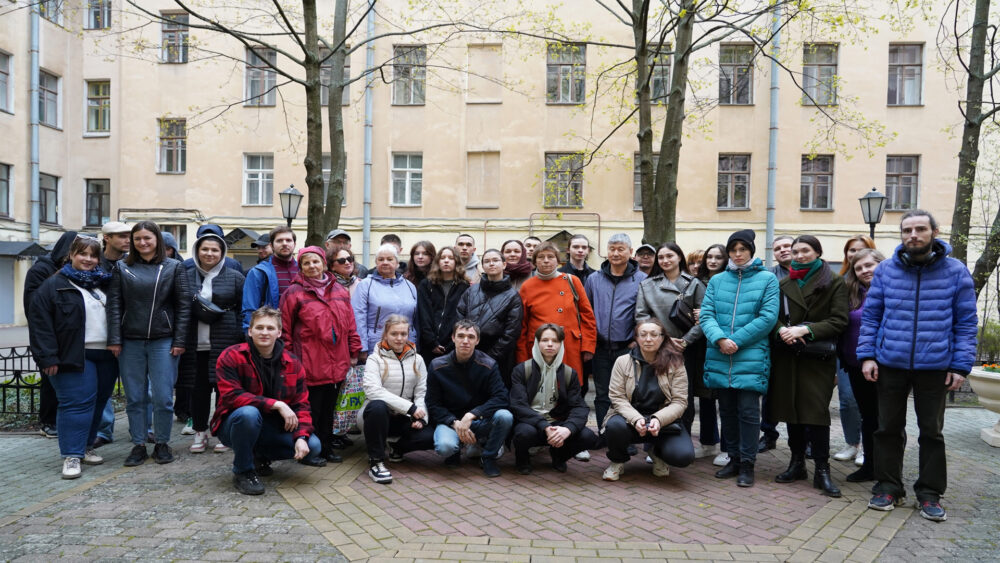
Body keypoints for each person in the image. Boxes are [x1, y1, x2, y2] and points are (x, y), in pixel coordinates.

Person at [858, 210, 977, 521]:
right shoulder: (885, 270)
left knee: (932, 432)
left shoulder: (956, 272)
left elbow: (966, 323)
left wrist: (960, 365)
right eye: (907, 230)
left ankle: (929, 493)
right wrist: (868, 355)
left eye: (920, 229)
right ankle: (887, 487)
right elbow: (871, 317)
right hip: (890, 363)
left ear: (934, 232)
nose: (913, 235)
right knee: (887, 429)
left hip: (935, 365)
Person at [27, 237, 117, 479]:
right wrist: (47, 358)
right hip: (73, 355)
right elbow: (40, 325)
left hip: (107, 355)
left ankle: (86, 446)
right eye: (82, 254)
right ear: (71, 255)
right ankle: (71, 456)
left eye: (93, 255)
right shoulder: (53, 285)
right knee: (76, 405)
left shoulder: (104, 283)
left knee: (98, 402)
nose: (88, 259)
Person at [212, 307, 324, 495]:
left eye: (270, 328)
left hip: (272, 427)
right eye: (259, 327)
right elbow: (231, 395)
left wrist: (301, 437)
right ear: (250, 330)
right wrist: (276, 404)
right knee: (249, 413)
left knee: (313, 446)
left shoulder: (292, 362)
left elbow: (302, 405)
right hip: (235, 424)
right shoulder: (232, 355)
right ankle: (243, 471)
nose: (264, 332)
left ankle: (259, 456)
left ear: (279, 332)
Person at [106, 221, 191, 466]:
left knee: (163, 397)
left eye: (147, 238)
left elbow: (183, 306)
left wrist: (180, 339)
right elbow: (114, 305)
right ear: (132, 242)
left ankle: (162, 442)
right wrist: (114, 339)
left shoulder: (174, 267)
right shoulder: (122, 267)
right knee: (135, 397)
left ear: (157, 240)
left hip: (163, 340)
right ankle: (139, 444)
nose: (142, 243)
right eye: (137, 239)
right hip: (130, 341)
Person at [769, 235, 848, 498]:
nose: (799, 255)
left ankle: (822, 470)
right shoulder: (783, 283)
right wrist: (783, 331)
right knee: (791, 410)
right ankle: (797, 463)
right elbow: (774, 317)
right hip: (788, 355)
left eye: (805, 251)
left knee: (816, 413)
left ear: (817, 252)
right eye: (795, 251)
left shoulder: (834, 282)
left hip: (816, 357)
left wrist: (806, 329)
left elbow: (839, 320)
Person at [700, 229, 779, 487]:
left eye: (742, 249)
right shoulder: (717, 281)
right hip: (720, 352)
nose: (737, 254)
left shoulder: (767, 279)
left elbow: (768, 317)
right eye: (733, 250)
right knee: (727, 410)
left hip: (750, 354)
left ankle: (747, 463)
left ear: (751, 251)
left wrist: (737, 340)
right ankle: (733, 457)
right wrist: (720, 339)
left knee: (748, 411)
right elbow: (706, 315)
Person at [281, 246, 362, 464]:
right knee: (311, 409)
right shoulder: (293, 293)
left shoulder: (339, 291)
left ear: (324, 264)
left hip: (337, 361)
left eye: (315, 261)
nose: (312, 266)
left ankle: (326, 448)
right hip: (309, 362)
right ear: (301, 268)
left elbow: (350, 325)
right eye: (306, 263)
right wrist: (289, 360)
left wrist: (354, 350)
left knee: (329, 409)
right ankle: (308, 450)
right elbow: (285, 331)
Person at [635, 243, 716, 458]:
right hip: (656, 349)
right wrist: (657, 339)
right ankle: (652, 446)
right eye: (660, 257)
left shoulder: (694, 284)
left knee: (683, 399)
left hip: (684, 350)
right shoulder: (647, 285)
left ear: (679, 257)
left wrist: (686, 341)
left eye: (669, 256)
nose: (665, 261)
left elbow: (705, 318)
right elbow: (641, 315)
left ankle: (682, 442)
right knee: (654, 396)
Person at [601, 319, 695, 481]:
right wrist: (636, 418)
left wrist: (658, 419)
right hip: (629, 419)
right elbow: (617, 397)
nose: (648, 339)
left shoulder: (676, 363)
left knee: (683, 456)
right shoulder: (622, 362)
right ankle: (617, 461)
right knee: (614, 426)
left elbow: (680, 402)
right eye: (643, 335)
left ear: (663, 338)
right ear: (636, 338)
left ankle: (657, 453)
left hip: (663, 422)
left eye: (654, 335)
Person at [178, 230, 245, 454]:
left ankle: (223, 433)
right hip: (194, 343)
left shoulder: (235, 276)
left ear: (222, 252)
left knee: (224, 390)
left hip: (225, 342)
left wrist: (239, 336)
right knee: (198, 390)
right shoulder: (184, 275)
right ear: (197, 251)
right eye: (205, 249)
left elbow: (243, 309)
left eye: (215, 250)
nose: (209, 253)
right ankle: (199, 431)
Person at [426, 320, 513, 477]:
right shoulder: (437, 366)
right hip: (451, 421)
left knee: (505, 416)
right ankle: (455, 450)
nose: (465, 341)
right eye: (460, 336)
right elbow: (433, 404)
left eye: (471, 337)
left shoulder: (489, 365)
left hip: (478, 421)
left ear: (477, 340)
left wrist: (472, 415)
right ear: (453, 338)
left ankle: (488, 458)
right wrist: (455, 423)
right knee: (445, 446)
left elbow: (501, 397)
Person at [509, 324, 598, 474]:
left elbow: (579, 407)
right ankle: (522, 458)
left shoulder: (570, 373)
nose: (550, 344)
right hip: (531, 422)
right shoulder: (522, 370)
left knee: (587, 436)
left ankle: (559, 456)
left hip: (557, 422)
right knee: (523, 433)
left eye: (555, 341)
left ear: (561, 344)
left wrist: (568, 428)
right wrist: (543, 425)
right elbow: (518, 405)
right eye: (545, 340)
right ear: (537, 342)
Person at [358, 315, 434, 484]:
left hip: (403, 417)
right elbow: (373, 390)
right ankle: (376, 462)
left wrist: (421, 417)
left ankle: (397, 448)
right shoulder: (374, 359)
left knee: (430, 436)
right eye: (394, 334)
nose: (399, 338)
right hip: (374, 415)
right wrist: (410, 408)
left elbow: (422, 392)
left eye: (403, 334)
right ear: (385, 334)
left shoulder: (418, 359)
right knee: (378, 406)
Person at [584, 233, 647, 434]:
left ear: (630, 252)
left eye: (621, 249)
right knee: (602, 393)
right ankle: (604, 433)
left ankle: (626, 435)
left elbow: (645, 312)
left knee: (628, 393)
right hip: (601, 347)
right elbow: (586, 312)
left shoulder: (642, 280)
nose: (616, 253)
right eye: (612, 249)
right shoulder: (594, 279)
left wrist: (637, 339)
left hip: (627, 348)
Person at [518, 242, 597, 387]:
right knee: (541, 388)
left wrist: (588, 346)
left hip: (568, 345)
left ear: (558, 260)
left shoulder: (572, 281)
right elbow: (522, 324)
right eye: (541, 257)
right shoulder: (527, 286)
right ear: (534, 261)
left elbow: (587, 317)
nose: (546, 260)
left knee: (568, 387)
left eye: (550, 256)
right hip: (538, 347)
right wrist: (522, 355)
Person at [24, 230, 79, 439]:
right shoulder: (41, 269)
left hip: (70, 335)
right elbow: (34, 304)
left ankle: (64, 421)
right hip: (49, 336)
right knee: (50, 378)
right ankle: (47, 421)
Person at [839, 248, 885, 483]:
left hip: (886, 365)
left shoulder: (892, 290)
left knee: (886, 419)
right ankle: (870, 467)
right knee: (868, 417)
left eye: (869, 265)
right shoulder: (852, 292)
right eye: (858, 268)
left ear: (881, 263)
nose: (864, 271)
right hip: (855, 365)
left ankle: (888, 470)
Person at [830, 235, 876, 465]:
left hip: (876, 358)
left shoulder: (881, 285)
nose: (854, 254)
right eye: (850, 250)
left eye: (860, 250)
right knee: (848, 401)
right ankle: (852, 443)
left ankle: (869, 450)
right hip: (847, 354)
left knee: (871, 408)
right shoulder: (843, 283)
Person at [456, 248, 523, 385]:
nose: (491, 264)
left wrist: (489, 357)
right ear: (482, 266)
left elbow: (511, 333)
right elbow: (459, 317)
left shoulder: (513, 296)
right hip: (468, 351)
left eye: (495, 260)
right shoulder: (471, 291)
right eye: (487, 261)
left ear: (504, 265)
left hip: (497, 359)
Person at [695, 242, 731, 465]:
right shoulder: (697, 283)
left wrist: (707, 313)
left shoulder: (730, 282)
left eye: (718, 257)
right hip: (699, 346)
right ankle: (708, 443)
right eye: (709, 257)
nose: (713, 261)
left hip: (722, 344)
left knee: (725, 398)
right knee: (705, 397)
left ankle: (728, 448)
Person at [758, 235, 793, 454]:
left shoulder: (812, 274)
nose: (783, 250)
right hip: (774, 337)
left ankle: (803, 437)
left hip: (804, 337)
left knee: (797, 391)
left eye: (787, 246)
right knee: (770, 390)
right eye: (778, 248)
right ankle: (769, 433)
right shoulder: (768, 275)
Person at [352, 244, 418, 357]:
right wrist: (362, 347)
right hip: (376, 346)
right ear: (376, 263)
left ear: (397, 263)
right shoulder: (365, 285)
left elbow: (415, 320)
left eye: (389, 259)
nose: (385, 262)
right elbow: (358, 317)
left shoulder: (409, 286)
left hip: (406, 345)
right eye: (381, 259)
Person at [417, 246, 470, 364]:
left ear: (456, 262)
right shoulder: (426, 285)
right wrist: (432, 342)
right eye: (442, 258)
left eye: (451, 258)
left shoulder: (464, 286)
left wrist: (453, 341)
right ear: (437, 262)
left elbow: (463, 316)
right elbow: (423, 315)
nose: (446, 260)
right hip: (427, 344)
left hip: (453, 345)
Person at [241, 226, 298, 330]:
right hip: (271, 333)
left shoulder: (304, 270)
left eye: (288, 240)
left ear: (294, 244)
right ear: (272, 245)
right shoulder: (258, 272)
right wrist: (250, 334)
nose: (284, 243)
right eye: (279, 240)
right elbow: (250, 309)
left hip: (301, 332)